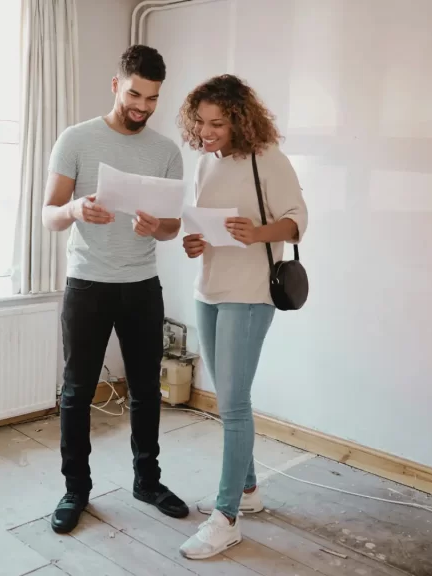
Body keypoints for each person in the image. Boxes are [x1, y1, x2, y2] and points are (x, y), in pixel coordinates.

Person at [41, 45, 190, 534]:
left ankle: (147, 481)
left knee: (146, 390)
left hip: (142, 285)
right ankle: (76, 489)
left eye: (152, 98)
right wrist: (75, 210)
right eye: (134, 94)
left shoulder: (166, 152)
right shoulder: (76, 139)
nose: (143, 106)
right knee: (77, 391)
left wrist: (156, 228)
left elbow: (172, 227)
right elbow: (49, 215)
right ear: (115, 85)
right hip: (88, 284)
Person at [176, 74, 308, 559]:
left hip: (250, 293)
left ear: (239, 120)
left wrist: (257, 233)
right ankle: (248, 489)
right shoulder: (204, 163)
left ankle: (226, 517)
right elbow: (202, 225)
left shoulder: (266, 158)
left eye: (217, 124)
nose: (206, 132)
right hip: (209, 287)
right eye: (200, 122)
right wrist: (194, 242)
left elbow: (297, 220)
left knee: (233, 404)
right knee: (227, 399)